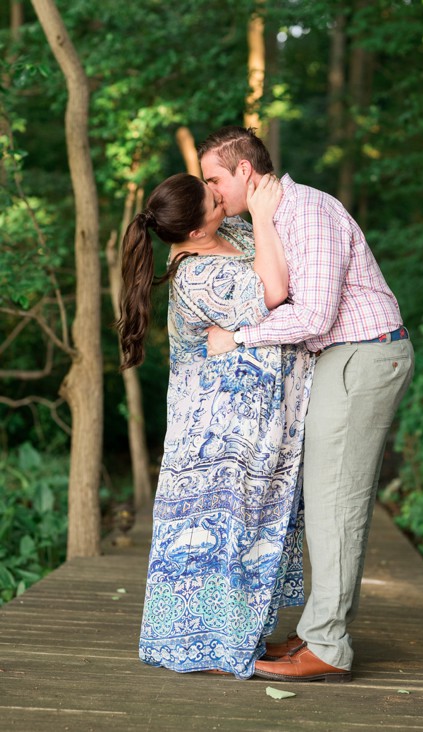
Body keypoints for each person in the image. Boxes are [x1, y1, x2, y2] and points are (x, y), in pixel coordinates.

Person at [197, 127, 414, 683]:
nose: (213, 192)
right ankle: (321, 626)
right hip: (343, 358)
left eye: (214, 179)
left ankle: (327, 645)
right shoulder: (271, 218)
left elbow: (314, 317)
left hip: (360, 356)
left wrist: (238, 337)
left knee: (334, 504)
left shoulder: (309, 211)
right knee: (321, 503)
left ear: (245, 171)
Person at [117, 172, 315, 679]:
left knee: (251, 529)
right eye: (212, 199)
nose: (221, 196)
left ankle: (235, 637)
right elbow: (274, 289)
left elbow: (286, 261)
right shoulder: (196, 274)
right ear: (197, 231)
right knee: (219, 535)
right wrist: (266, 216)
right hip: (217, 435)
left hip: (253, 424)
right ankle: (204, 646)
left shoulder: (233, 235)